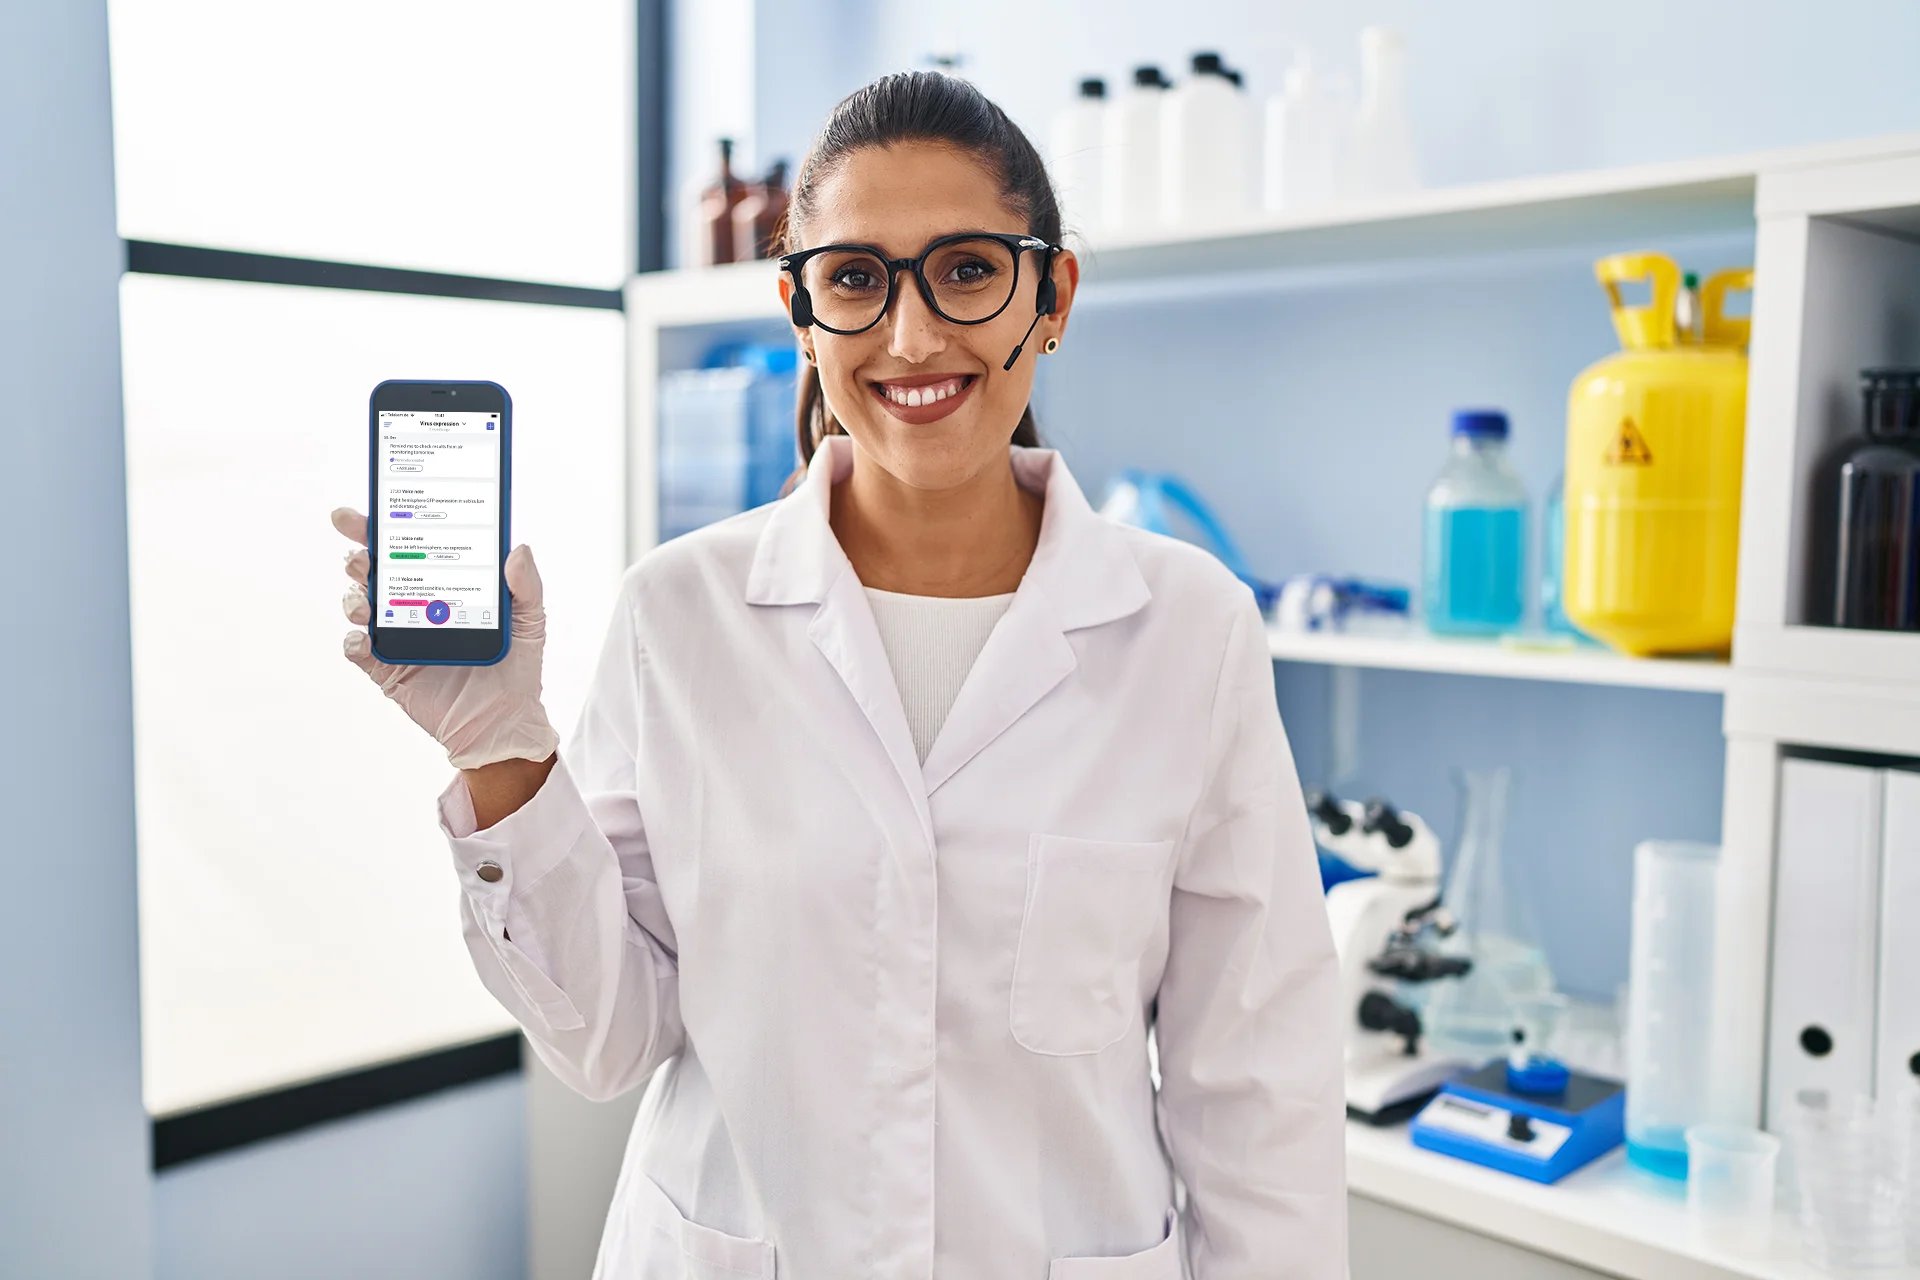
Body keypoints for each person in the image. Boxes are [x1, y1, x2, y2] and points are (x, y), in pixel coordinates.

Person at [331, 70, 1345, 1280]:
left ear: (1054, 294)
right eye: (856, 279)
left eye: (968, 268)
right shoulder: (681, 610)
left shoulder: (1189, 629)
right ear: (801, 313)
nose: (913, 337)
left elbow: (1257, 1088)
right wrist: (500, 749)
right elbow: (609, 1038)